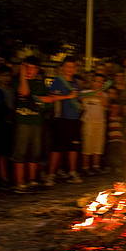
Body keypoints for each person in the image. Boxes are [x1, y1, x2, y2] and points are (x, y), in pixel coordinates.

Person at [11, 57, 55, 193]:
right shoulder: (17, 81)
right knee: (20, 152)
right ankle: (19, 183)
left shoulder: (39, 84)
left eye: (33, 68)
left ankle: (32, 181)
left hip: (37, 122)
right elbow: (24, 92)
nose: (30, 71)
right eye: (27, 67)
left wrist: (38, 100)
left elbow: (48, 101)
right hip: (22, 122)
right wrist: (23, 75)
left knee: (35, 152)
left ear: (37, 70)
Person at [47, 57, 82, 186]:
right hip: (61, 118)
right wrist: (68, 96)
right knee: (57, 147)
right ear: (62, 68)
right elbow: (52, 97)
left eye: (72, 67)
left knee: (73, 147)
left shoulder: (76, 83)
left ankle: (72, 172)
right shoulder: (57, 81)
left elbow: (78, 98)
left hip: (74, 119)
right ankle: (51, 174)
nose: (70, 69)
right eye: (67, 67)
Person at [80, 73, 109, 175]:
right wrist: (94, 93)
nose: (99, 83)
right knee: (87, 145)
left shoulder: (104, 94)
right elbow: (80, 99)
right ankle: (85, 167)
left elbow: (106, 105)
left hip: (100, 122)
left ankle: (96, 166)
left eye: (101, 82)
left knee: (98, 145)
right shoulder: (85, 92)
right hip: (88, 122)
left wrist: (100, 96)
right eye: (97, 81)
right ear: (92, 82)